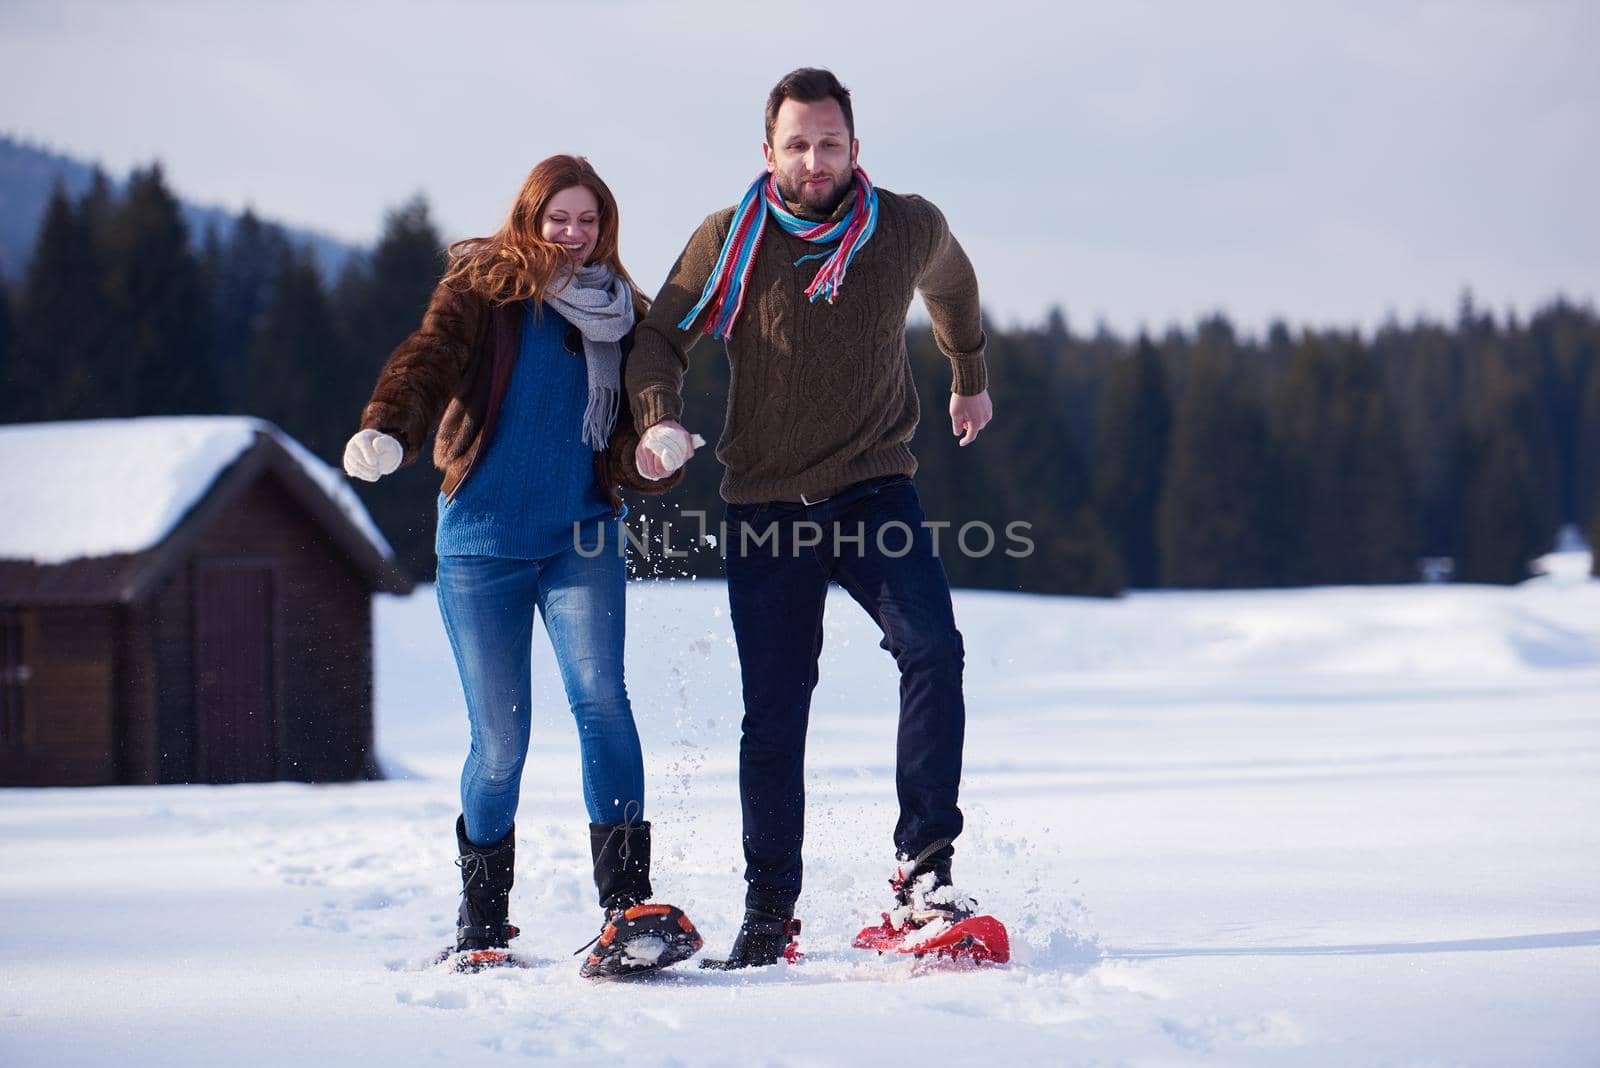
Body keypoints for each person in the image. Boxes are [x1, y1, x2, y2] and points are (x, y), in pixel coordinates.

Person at [626, 68, 995, 968]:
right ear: (768, 152)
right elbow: (659, 338)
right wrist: (659, 417)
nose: (815, 160)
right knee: (776, 710)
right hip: (764, 503)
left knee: (933, 649)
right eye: (797, 143)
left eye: (830, 143)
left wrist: (970, 372)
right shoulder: (731, 239)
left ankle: (924, 875)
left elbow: (952, 282)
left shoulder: (904, 226)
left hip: (875, 489)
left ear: (855, 149)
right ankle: (770, 910)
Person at [342, 154, 702, 978]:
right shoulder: (486, 288)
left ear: (606, 225)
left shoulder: (626, 316)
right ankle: (483, 924)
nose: (574, 236)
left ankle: (627, 908)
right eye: (559, 219)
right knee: (501, 743)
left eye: (588, 221)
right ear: (530, 218)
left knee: (601, 701)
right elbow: (428, 358)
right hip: (480, 543)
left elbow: (648, 416)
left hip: (582, 535)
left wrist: (659, 449)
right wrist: (389, 428)